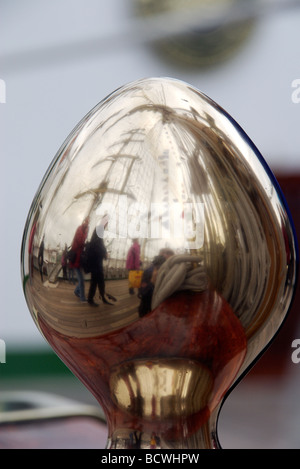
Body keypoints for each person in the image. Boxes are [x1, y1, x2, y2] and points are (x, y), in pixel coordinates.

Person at [138, 248, 174, 317]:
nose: (165, 255)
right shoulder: (149, 271)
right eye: (163, 253)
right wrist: (152, 282)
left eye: (168, 253)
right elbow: (142, 292)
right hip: (148, 307)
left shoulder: (174, 272)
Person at [87, 226, 112, 307]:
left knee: (99, 281)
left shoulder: (98, 230)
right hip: (96, 262)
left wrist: (104, 252)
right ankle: (91, 299)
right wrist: (104, 253)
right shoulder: (99, 230)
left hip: (97, 261)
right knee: (96, 281)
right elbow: (97, 244)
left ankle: (101, 297)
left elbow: (98, 244)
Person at [69, 217, 89, 302]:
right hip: (75, 260)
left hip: (78, 260)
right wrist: (86, 234)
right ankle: (82, 298)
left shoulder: (83, 230)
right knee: (81, 280)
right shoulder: (80, 229)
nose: (87, 223)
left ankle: (76, 291)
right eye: (86, 221)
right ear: (83, 221)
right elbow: (80, 241)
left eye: (88, 222)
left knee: (81, 279)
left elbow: (82, 243)